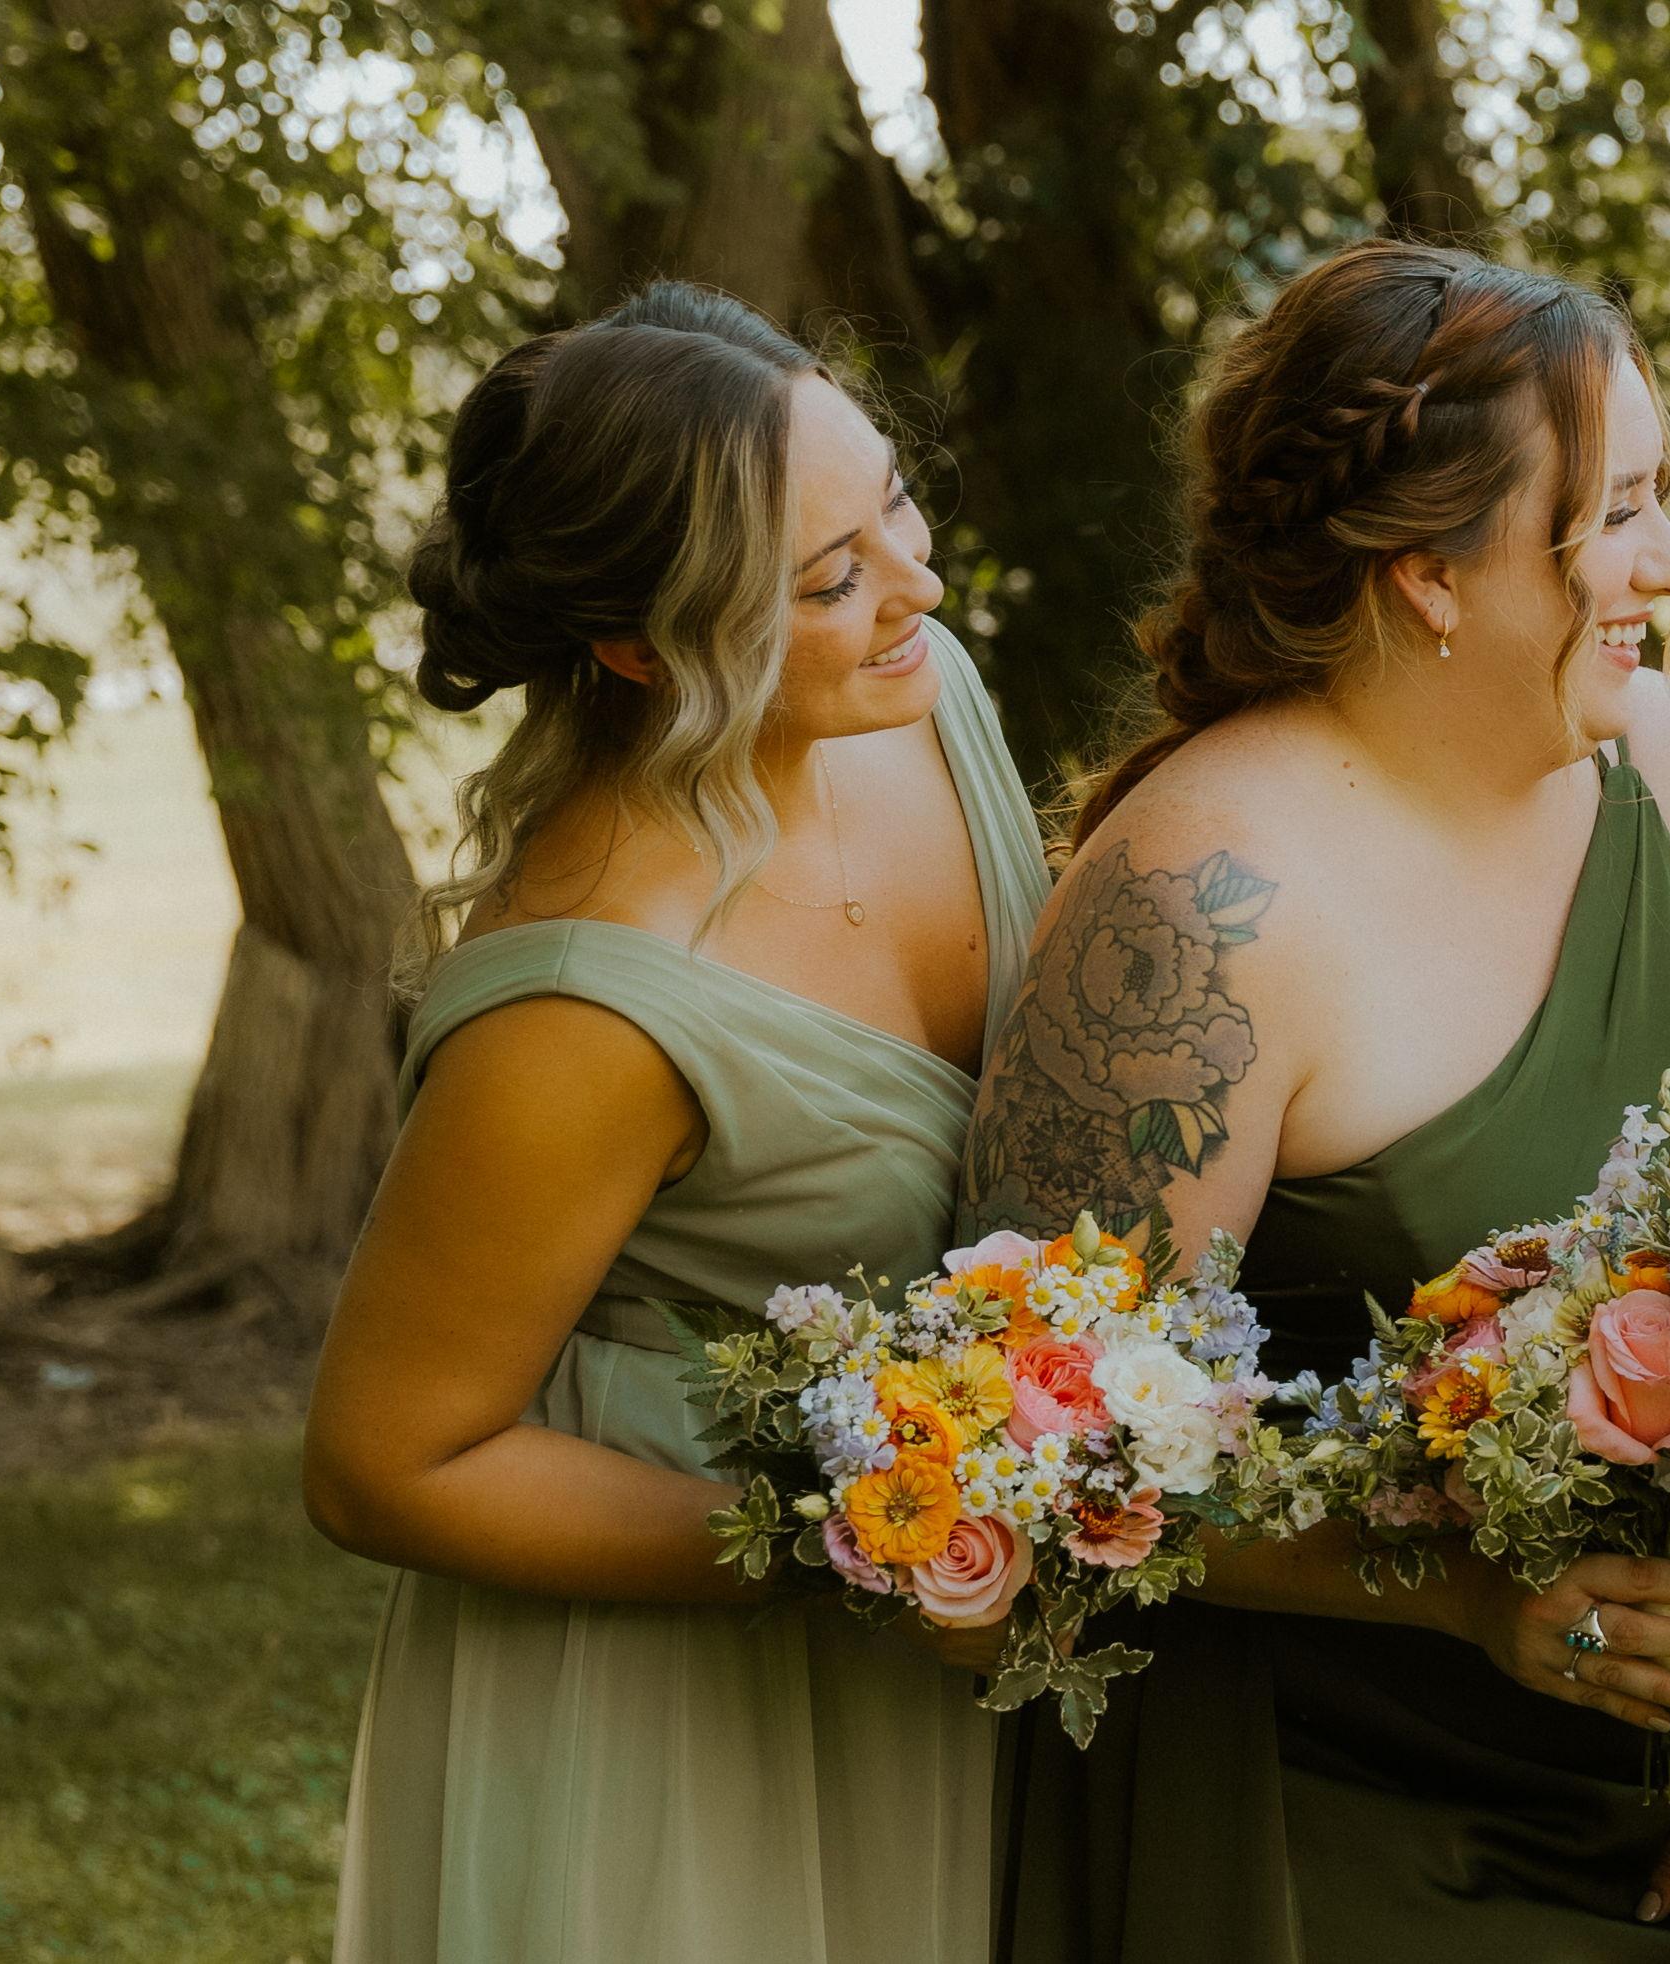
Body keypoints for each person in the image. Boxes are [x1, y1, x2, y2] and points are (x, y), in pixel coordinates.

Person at [970, 240, 1670, 1964]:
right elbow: (1037, 1441)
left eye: (1661, 501)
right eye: (1618, 513)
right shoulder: (1196, 909)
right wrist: (1458, 1588)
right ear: (1431, 570)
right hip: (1310, 1816)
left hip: (1668, 1795)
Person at [309, 283, 1028, 1963]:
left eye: (896, 505)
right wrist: (854, 1541)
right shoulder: (584, 1004)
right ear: (641, 647)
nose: (915, 587)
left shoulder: (925, 698)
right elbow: (382, 1462)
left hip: (936, 1651)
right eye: (831, 579)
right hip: (664, 1720)